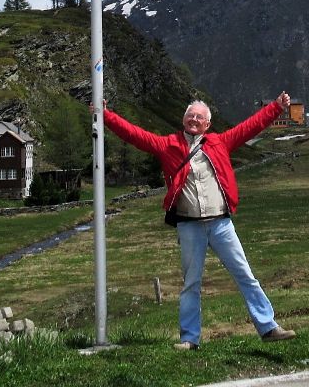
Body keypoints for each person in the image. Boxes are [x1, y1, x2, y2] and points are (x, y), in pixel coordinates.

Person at [102, 92, 297, 349]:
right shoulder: (168, 145)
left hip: (221, 224)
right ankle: (190, 339)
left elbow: (250, 127)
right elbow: (134, 135)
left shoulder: (220, 142)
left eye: (200, 117)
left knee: (245, 275)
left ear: (207, 124)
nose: (194, 119)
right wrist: (106, 116)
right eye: (190, 115)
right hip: (189, 225)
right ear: (184, 120)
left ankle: (269, 327)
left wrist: (276, 107)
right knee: (191, 283)